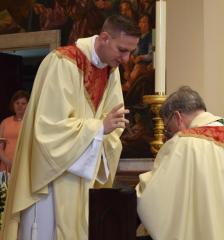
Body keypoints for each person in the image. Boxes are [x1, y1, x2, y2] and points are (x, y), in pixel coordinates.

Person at [1, 15, 140, 240]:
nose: (126, 59)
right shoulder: (62, 62)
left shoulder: (110, 72)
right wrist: (97, 129)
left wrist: (105, 132)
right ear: (104, 38)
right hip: (51, 179)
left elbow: (113, 127)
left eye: (131, 52)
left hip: (82, 177)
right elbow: (49, 127)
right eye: (122, 50)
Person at [136, 86, 224, 239]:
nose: (169, 135)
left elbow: (154, 196)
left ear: (177, 117)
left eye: (168, 129)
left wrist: (141, 188)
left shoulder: (184, 143)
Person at [0, 90, 29, 173]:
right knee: (5, 186)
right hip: (5, 166)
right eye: (17, 103)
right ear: (13, 104)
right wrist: (8, 162)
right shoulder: (5, 122)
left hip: (25, 166)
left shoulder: (31, 124)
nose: (20, 106)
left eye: (23, 104)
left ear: (28, 105)